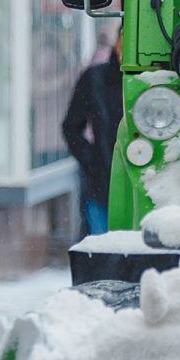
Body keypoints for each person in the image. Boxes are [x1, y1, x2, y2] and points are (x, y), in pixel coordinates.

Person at [63, 35, 123, 236]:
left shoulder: (158, 83)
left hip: (146, 188)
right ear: (117, 42)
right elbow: (71, 127)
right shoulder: (95, 78)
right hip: (100, 185)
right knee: (101, 252)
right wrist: (92, 161)